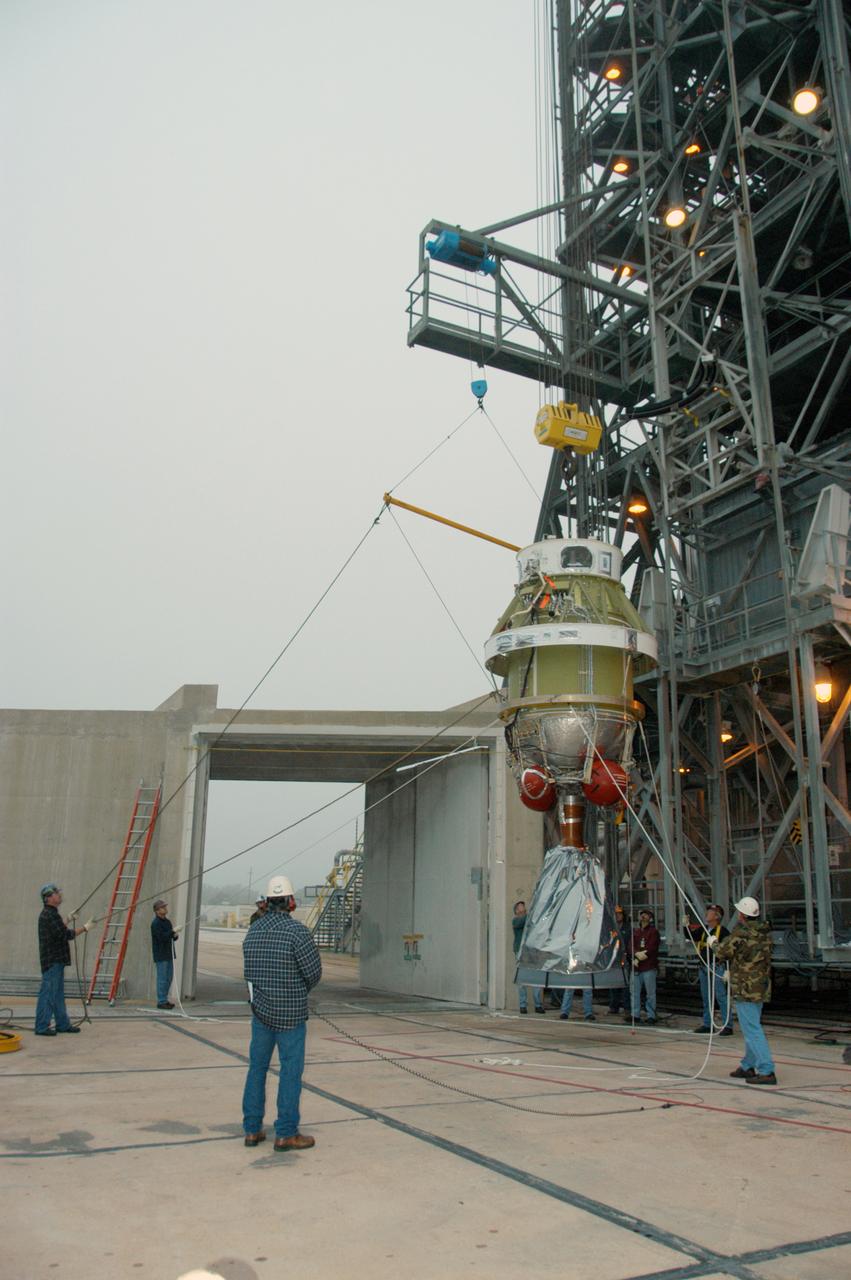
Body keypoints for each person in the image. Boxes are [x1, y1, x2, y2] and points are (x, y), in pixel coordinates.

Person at [242, 875, 322, 1152]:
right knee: (290, 1072)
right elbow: (313, 973)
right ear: (291, 902)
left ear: (266, 902)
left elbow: (248, 973)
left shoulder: (253, 931)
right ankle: (286, 1133)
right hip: (291, 1015)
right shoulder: (297, 932)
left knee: (257, 1069)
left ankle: (252, 1130)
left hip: (261, 1014)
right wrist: (295, 989)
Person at [712, 896, 776, 1084]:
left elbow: (722, 952)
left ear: (742, 914)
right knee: (752, 1026)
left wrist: (713, 942)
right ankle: (748, 1065)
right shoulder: (764, 933)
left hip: (745, 987)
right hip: (760, 986)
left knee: (752, 1030)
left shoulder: (741, 933)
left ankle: (766, 1070)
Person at [35, 884, 93, 1036]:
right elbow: (65, 935)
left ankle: (62, 1024)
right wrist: (85, 928)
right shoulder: (49, 915)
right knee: (48, 994)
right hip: (52, 960)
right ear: (48, 898)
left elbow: (58, 930)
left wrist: (67, 919)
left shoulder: (51, 914)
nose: (59, 895)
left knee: (58, 994)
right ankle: (42, 1026)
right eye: (56, 893)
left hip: (56, 961)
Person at [685, 904, 732, 1035]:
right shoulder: (703, 930)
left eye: (710, 912)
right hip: (704, 967)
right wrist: (686, 925)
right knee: (706, 997)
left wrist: (728, 969)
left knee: (721, 996)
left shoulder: (723, 932)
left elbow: (728, 951)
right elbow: (691, 936)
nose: (707, 914)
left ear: (717, 916)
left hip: (717, 967)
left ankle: (727, 1025)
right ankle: (707, 1023)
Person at [512, 900, 544, 1015]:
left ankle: (538, 1005)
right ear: (516, 911)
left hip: (532, 951)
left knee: (536, 978)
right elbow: (523, 921)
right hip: (521, 952)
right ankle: (522, 1005)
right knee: (522, 980)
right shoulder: (516, 920)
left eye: (523, 907)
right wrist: (531, 914)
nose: (523, 908)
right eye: (520, 907)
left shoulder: (529, 919)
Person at [630, 908, 660, 1024]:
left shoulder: (653, 932)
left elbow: (652, 947)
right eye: (642, 914)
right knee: (634, 992)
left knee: (650, 993)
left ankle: (651, 1015)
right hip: (637, 966)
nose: (643, 917)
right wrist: (635, 953)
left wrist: (643, 954)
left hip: (648, 966)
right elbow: (630, 945)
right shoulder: (636, 931)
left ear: (650, 918)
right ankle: (635, 1014)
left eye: (646, 915)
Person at [151, 899, 179, 1010]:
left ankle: (165, 999)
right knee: (162, 978)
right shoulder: (155, 923)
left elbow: (171, 937)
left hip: (169, 954)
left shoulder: (167, 922)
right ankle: (161, 1001)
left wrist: (175, 935)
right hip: (161, 954)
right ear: (157, 911)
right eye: (163, 907)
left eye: (165, 906)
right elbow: (161, 937)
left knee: (168, 978)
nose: (165, 908)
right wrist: (172, 932)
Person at [608, 905, 631, 1014]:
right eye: (616, 914)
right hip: (614, 960)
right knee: (613, 985)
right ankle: (614, 1006)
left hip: (625, 959)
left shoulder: (628, 928)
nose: (618, 916)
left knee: (626, 985)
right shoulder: (611, 928)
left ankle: (627, 1007)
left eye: (619, 914)